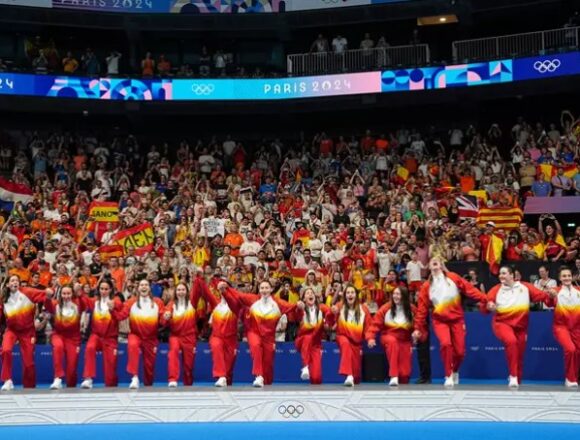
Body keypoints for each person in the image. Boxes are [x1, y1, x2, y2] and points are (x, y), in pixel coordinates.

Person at [412, 257, 488, 387]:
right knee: (446, 344)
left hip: (457, 320)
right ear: (429, 266)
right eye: (432, 261)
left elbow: (470, 290)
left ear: (441, 265)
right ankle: (448, 375)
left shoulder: (453, 277)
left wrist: (486, 299)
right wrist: (417, 328)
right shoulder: (426, 287)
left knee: (460, 352)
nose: (435, 261)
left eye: (437, 260)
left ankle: (454, 370)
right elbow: (421, 310)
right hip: (440, 321)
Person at [218, 279, 297, 387]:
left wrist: (300, 305)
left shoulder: (278, 303)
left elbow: (291, 307)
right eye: (262, 288)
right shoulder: (252, 299)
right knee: (255, 347)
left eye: (266, 288)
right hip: (253, 332)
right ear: (259, 290)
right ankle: (258, 375)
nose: (264, 290)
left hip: (269, 337)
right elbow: (238, 295)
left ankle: (267, 381)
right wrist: (226, 289)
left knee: (268, 363)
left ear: (271, 289)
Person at [485, 265, 552, 388]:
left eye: (504, 273)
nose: (501, 276)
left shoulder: (525, 287)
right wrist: (489, 306)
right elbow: (487, 303)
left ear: (512, 275)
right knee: (511, 341)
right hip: (501, 323)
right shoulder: (496, 289)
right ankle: (513, 376)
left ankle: (517, 381)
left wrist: (552, 295)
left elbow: (543, 296)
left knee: (519, 354)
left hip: (521, 327)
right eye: (500, 273)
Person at [0, 275, 52, 391]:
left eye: (17, 280)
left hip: (27, 331)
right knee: (6, 350)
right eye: (12, 280)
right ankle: (7, 380)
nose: (15, 282)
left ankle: (29, 387)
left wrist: (48, 293)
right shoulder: (3, 299)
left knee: (29, 363)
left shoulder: (27, 292)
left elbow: (44, 295)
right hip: (11, 330)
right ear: (8, 284)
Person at [366, 286, 415, 387]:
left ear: (404, 296)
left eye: (398, 294)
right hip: (388, 336)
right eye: (394, 294)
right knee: (393, 342)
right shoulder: (385, 308)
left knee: (404, 375)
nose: (396, 296)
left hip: (405, 340)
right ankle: (393, 375)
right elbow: (374, 324)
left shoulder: (412, 309)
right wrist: (370, 337)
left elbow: (419, 324)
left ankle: (400, 380)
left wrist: (418, 332)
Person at [80, 279, 125, 389]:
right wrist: (79, 291)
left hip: (110, 339)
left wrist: (113, 305)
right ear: (98, 290)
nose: (103, 291)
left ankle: (111, 385)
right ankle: (88, 378)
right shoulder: (94, 301)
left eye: (106, 289)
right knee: (90, 347)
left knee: (110, 367)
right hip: (96, 336)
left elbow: (120, 306)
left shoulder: (116, 300)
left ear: (110, 290)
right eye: (101, 289)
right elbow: (84, 300)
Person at [44, 284, 89, 389]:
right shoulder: (56, 304)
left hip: (73, 338)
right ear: (61, 294)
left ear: (72, 294)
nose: (66, 296)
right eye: (64, 293)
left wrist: (80, 294)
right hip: (58, 335)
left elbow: (84, 305)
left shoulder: (77, 304)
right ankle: (57, 378)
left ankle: (71, 386)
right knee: (58, 347)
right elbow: (47, 305)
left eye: (68, 293)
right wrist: (48, 297)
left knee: (72, 368)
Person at [198, 277, 240, 387]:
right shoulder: (215, 303)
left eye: (226, 288)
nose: (223, 290)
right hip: (217, 336)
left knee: (229, 369)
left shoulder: (236, 304)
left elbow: (231, 301)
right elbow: (206, 292)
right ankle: (221, 376)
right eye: (221, 288)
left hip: (231, 339)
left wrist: (224, 290)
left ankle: (226, 380)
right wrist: (199, 278)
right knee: (216, 348)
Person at [123, 279, 165, 389]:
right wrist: (113, 308)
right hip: (135, 334)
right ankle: (134, 377)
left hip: (151, 338)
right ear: (138, 288)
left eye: (146, 285)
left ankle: (148, 386)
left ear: (149, 288)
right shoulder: (131, 302)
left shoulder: (158, 302)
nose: (144, 287)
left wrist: (166, 318)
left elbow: (162, 321)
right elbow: (121, 315)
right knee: (132, 345)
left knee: (149, 367)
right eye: (141, 285)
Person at [328, 284, 372, 387]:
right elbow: (329, 321)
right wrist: (331, 311)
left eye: (352, 292)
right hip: (342, 336)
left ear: (356, 295)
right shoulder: (340, 305)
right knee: (345, 344)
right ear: (344, 295)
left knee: (356, 378)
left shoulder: (363, 309)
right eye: (347, 293)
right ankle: (348, 374)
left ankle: (352, 376)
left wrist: (370, 339)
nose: (350, 295)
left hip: (356, 342)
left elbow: (369, 327)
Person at [546, 266, 580, 388]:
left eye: (569, 276)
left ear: (572, 277)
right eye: (564, 276)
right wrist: (551, 296)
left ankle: (575, 377)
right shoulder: (555, 290)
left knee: (578, 351)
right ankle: (570, 379)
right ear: (560, 278)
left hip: (577, 327)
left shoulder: (578, 290)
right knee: (570, 349)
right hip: (561, 327)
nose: (567, 278)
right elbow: (548, 302)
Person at [163, 281, 200, 387]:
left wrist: (197, 277)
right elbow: (164, 319)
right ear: (175, 292)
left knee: (189, 366)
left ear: (187, 291)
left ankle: (188, 384)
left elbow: (198, 289)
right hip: (175, 336)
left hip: (189, 337)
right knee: (173, 353)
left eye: (183, 290)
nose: (181, 292)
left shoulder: (192, 303)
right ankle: (172, 379)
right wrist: (166, 317)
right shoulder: (171, 304)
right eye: (178, 290)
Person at [294, 287, 330, 385]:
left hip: (316, 345)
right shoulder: (301, 310)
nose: (310, 294)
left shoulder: (321, 308)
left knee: (316, 378)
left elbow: (330, 314)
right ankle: (305, 367)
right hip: (302, 341)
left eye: (312, 293)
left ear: (315, 296)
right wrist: (298, 307)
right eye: (307, 293)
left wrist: (328, 323)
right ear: (304, 299)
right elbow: (297, 316)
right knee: (307, 337)